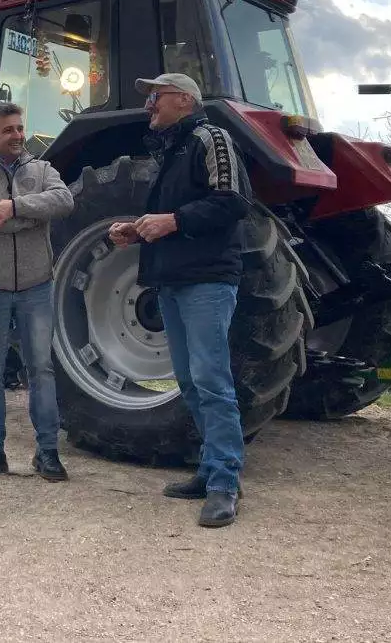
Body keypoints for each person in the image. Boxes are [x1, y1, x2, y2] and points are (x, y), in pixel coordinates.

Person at [108, 72, 250, 529]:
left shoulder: (213, 137)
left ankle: (226, 483)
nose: (149, 105)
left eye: (156, 97)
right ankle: (209, 469)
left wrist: (172, 221)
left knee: (211, 380)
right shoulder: (171, 152)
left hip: (206, 280)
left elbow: (232, 202)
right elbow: (174, 216)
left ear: (184, 101)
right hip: (172, 279)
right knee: (189, 381)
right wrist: (138, 230)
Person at [0, 102, 74, 483]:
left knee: (41, 368)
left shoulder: (43, 169)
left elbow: (65, 201)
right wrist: (30, 218)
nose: (19, 136)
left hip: (37, 285)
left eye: (20, 128)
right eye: (8, 130)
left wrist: (14, 206)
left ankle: (48, 453)